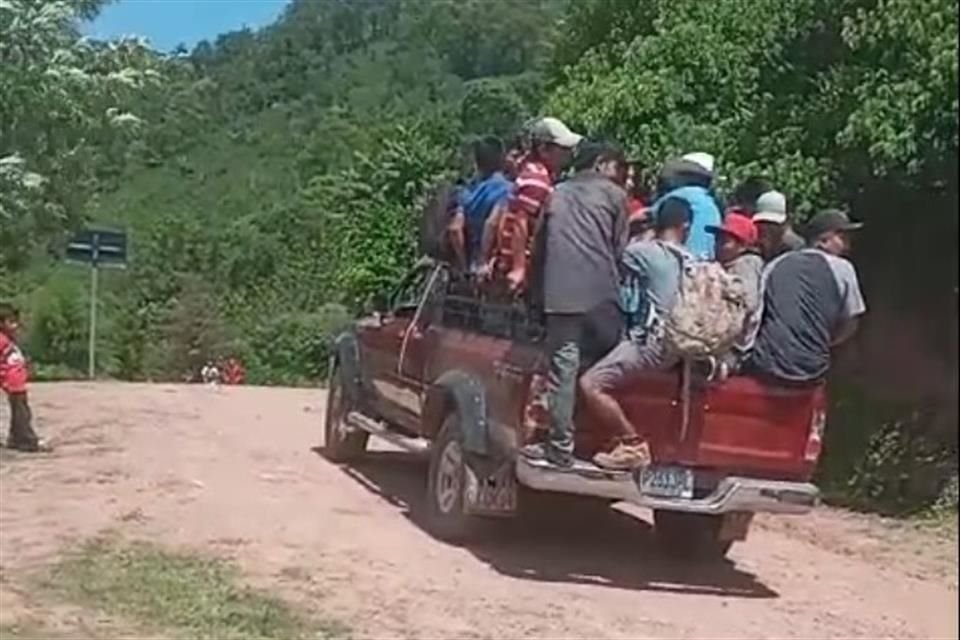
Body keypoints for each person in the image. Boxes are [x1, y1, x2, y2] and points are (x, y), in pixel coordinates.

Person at [520, 141, 629, 468]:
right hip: (603, 302)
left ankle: (561, 447)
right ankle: (609, 438)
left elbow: (538, 250)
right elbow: (619, 251)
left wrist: (535, 299)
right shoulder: (615, 196)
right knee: (604, 369)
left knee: (563, 372)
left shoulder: (557, 194)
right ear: (600, 164)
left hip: (561, 301)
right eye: (616, 166)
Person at [579, 199, 695, 470]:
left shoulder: (646, 253)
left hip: (652, 343)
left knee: (590, 385)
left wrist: (630, 224)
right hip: (680, 344)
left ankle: (632, 444)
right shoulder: (693, 259)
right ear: (685, 227)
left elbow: (608, 252)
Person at [746, 209, 866, 384]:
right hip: (812, 370)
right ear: (824, 240)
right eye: (843, 238)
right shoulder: (843, 268)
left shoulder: (775, 264)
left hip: (766, 365)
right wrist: (827, 343)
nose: (847, 246)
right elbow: (852, 322)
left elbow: (755, 319)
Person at [489, 117, 582, 295]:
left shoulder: (531, 172)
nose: (568, 153)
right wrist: (519, 267)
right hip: (519, 271)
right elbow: (521, 222)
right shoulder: (537, 180)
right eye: (562, 148)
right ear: (544, 149)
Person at [706, 213, 764, 376]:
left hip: (735, 348)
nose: (718, 245)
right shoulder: (718, 265)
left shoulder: (747, 264)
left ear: (742, 246)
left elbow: (748, 303)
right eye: (718, 239)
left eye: (725, 241)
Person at [447, 136, 512, 274]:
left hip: (470, 263)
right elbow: (492, 223)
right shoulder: (506, 189)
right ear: (502, 159)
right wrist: (483, 260)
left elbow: (455, 229)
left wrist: (464, 265)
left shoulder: (466, 191)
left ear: (477, 161)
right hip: (493, 265)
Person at [649, 152, 721, 261]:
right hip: (704, 265)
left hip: (676, 262)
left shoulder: (676, 196)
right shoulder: (712, 205)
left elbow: (647, 218)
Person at [0, 303, 49, 452]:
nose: (15, 326)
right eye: (10, 322)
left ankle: (15, 438)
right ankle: (27, 440)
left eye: (15, 321)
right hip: (12, 382)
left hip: (17, 382)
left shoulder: (8, 339)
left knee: (19, 410)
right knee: (22, 412)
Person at [753, 190, 804, 260]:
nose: (766, 227)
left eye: (772, 223)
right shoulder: (757, 247)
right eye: (762, 222)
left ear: (787, 221)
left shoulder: (798, 250)